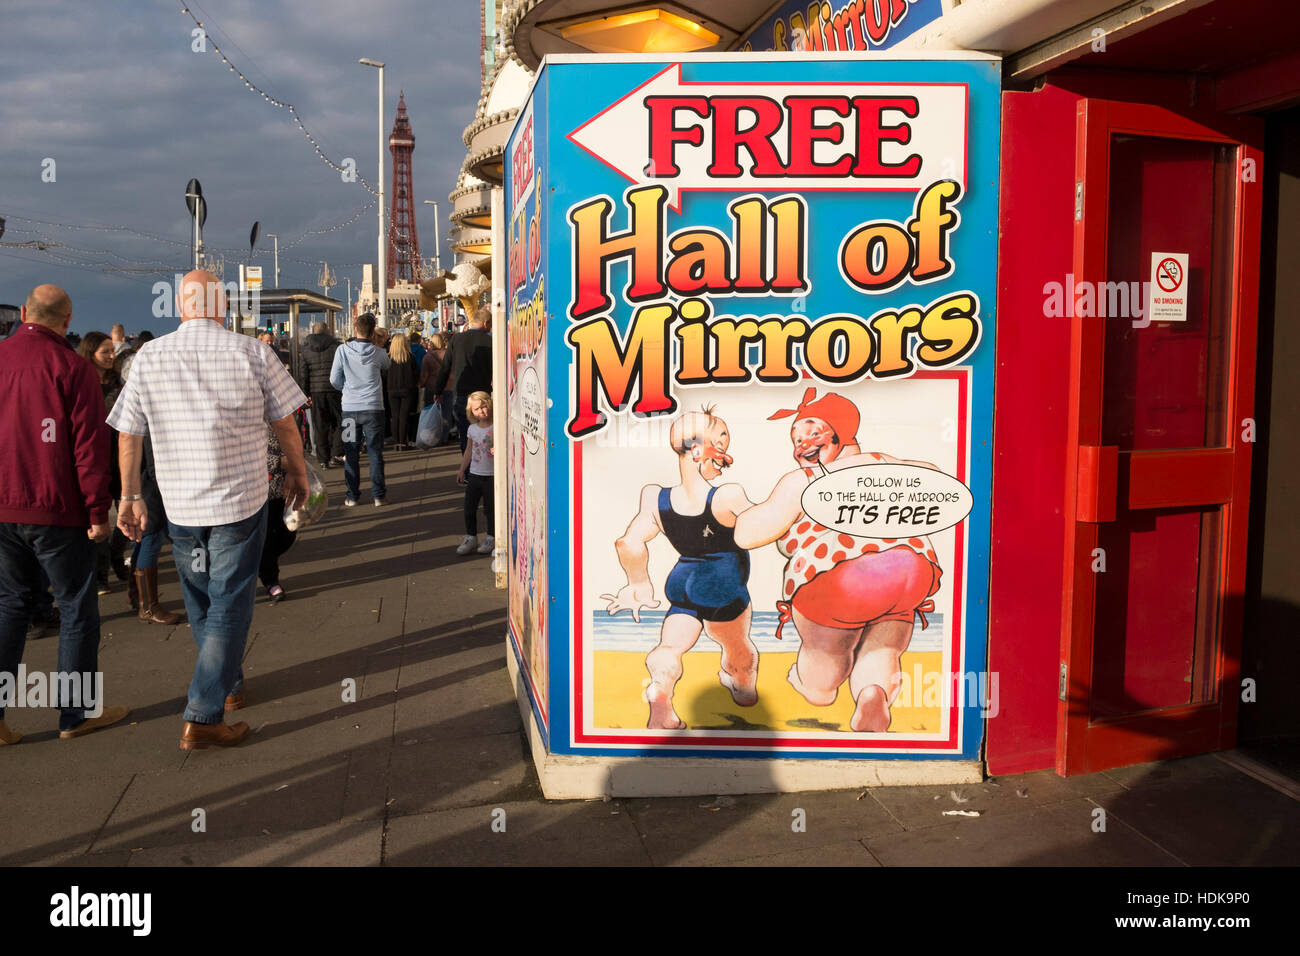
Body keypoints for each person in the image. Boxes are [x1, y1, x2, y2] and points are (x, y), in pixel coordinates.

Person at [111, 270, 308, 750]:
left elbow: (128, 434)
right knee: (230, 601)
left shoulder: (148, 357)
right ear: (222, 307)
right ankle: (203, 713)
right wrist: (298, 472)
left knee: (200, 597)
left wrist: (130, 495)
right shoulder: (253, 352)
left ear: (181, 307)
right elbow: (285, 423)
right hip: (239, 500)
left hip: (180, 503)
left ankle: (229, 685)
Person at [734, 388, 944, 733]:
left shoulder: (804, 480)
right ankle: (872, 695)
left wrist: (744, 512)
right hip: (910, 568)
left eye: (812, 432)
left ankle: (814, 687)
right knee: (883, 650)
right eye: (796, 438)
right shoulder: (885, 462)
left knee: (824, 663)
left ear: (841, 433)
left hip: (840, 578)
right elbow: (934, 477)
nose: (801, 443)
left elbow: (748, 534)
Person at [0, 284, 130, 744]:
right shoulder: (73, 370)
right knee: (76, 605)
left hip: (4, 506)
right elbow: (88, 450)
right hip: (57, 508)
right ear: (67, 321)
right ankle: (74, 715)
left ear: (22, 313)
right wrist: (99, 511)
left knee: (11, 604)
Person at [602, 406, 758, 730]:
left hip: (682, 581)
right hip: (722, 584)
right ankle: (741, 686)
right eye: (721, 445)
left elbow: (627, 543)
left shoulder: (655, 497)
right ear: (698, 450)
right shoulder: (727, 496)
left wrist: (639, 584)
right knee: (737, 649)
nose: (725, 456)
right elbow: (764, 525)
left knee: (669, 648)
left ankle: (660, 690)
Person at [77, 332, 124, 596]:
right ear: (91, 352)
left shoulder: (119, 383)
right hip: (95, 459)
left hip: (120, 457)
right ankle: (101, 575)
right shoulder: (83, 383)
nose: (110, 356)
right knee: (99, 520)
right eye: (105, 351)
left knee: (125, 517)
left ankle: (117, 558)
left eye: (112, 351)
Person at [330, 312, 390, 507]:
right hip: (373, 408)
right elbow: (387, 365)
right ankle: (379, 495)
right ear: (373, 332)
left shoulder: (342, 350)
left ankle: (352, 496)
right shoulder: (379, 352)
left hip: (349, 408)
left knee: (351, 452)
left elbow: (334, 379)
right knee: (375, 452)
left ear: (355, 328)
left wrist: (345, 389)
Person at [432, 307, 492, 454]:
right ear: (486, 323)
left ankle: (466, 471)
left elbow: (445, 368)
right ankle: (481, 469)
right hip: (482, 396)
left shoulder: (456, 339)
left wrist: (438, 391)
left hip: (461, 394)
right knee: (485, 434)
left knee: (465, 435)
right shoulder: (490, 341)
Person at [258, 425, 297, 603]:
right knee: (266, 539)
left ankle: (261, 561)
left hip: (283, 490)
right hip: (257, 493)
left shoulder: (280, 413)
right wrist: (278, 462)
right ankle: (271, 581)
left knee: (288, 534)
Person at [298, 321, 344, 469]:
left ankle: (323, 459)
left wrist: (306, 393)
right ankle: (336, 453)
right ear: (328, 331)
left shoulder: (306, 350)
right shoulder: (336, 347)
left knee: (319, 425)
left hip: (316, 392)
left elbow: (303, 374)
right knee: (339, 421)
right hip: (334, 390)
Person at [455, 391, 495, 555]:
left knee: (490, 509)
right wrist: (462, 469)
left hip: (492, 475)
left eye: (483, 406)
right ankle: (471, 537)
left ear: (489, 404)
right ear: (471, 412)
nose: (481, 411)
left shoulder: (496, 426)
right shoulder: (472, 429)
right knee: (469, 508)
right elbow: (469, 450)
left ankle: (492, 537)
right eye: (476, 409)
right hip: (475, 474)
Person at [418, 333, 454, 444]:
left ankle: (433, 438)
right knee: (446, 414)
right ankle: (444, 438)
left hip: (432, 388)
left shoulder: (428, 357)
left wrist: (421, 384)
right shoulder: (449, 355)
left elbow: (424, 375)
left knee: (433, 414)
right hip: (448, 387)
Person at [387, 332, 419, 451]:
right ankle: (403, 442)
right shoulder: (410, 357)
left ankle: (396, 442)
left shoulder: (388, 357)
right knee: (404, 416)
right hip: (407, 390)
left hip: (391, 390)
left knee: (394, 416)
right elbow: (416, 374)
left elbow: (384, 374)